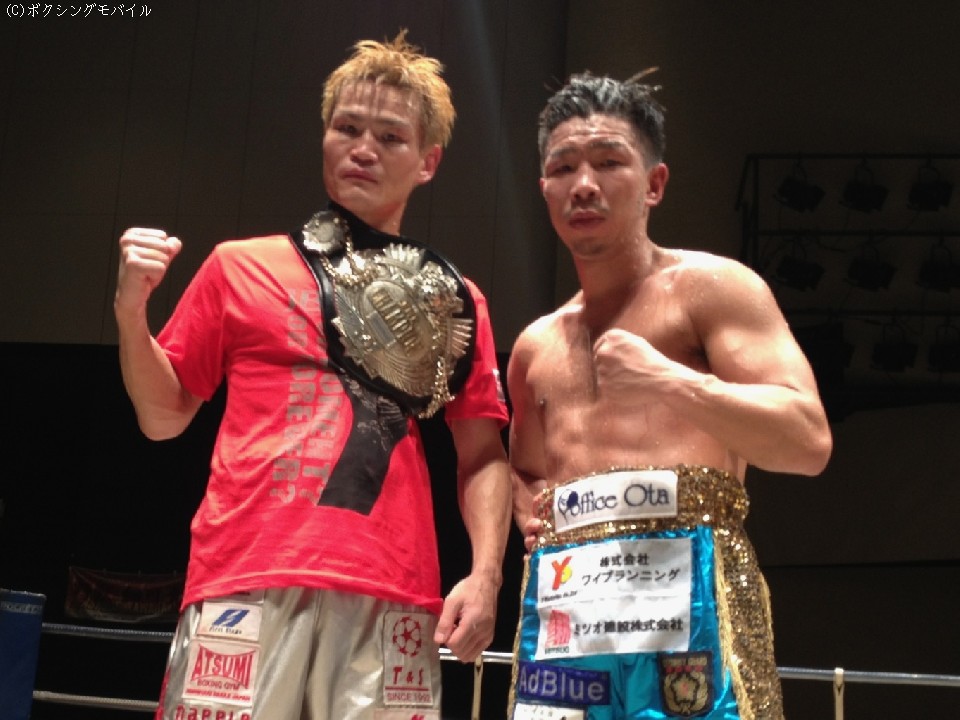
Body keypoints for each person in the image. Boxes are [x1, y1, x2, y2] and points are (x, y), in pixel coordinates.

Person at [114, 32, 511, 720]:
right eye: (346, 128)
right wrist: (130, 312)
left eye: (391, 137)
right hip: (245, 575)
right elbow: (162, 416)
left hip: (392, 590)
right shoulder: (240, 265)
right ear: (324, 137)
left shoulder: (453, 301)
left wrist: (486, 576)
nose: (363, 148)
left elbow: (482, 454)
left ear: (428, 161)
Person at [506, 72, 832, 720]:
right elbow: (526, 470)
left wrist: (668, 380)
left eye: (608, 162)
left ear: (654, 183)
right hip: (568, 610)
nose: (584, 184)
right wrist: (527, 507)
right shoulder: (534, 348)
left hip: (692, 599)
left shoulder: (713, 290)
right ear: (545, 189)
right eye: (564, 167)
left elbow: (806, 440)